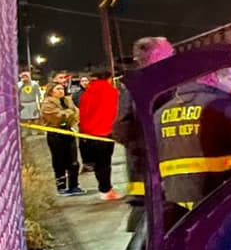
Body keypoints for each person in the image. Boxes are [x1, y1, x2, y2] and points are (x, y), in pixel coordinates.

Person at [155, 66, 231, 215]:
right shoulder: (222, 106)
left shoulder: (160, 114)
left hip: (176, 203)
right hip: (219, 197)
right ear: (214, 78)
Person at [111, 35, 175, 231]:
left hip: (141, 171)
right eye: (169, 52)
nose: (173, 55)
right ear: (157, 55)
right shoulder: (169, 83)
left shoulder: (131, 85)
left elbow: (121, 128)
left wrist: (137, 145)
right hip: (161, 169)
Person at [78, 69, 120, 200]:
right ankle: (106, 190)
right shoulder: (112, 92)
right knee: (105, 163)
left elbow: (82, 114)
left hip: (89, 134)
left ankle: (105, 189)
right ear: (108, 78)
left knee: (98, 164)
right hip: (106, 133)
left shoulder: (86, 94)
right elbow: (117, 112)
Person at [39, 81, 82, 195]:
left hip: (68, 132)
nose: (61, 91)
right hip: (55, 135)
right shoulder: (47, 103)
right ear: (51, 91)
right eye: (58, 89)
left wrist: (68, 114)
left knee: (73, 162)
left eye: (62, 89)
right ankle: (61, 186)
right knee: (59, 162)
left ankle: (74, 186)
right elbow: (56, 117)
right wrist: (68, 113)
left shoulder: (67, 101)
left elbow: (76, 113)